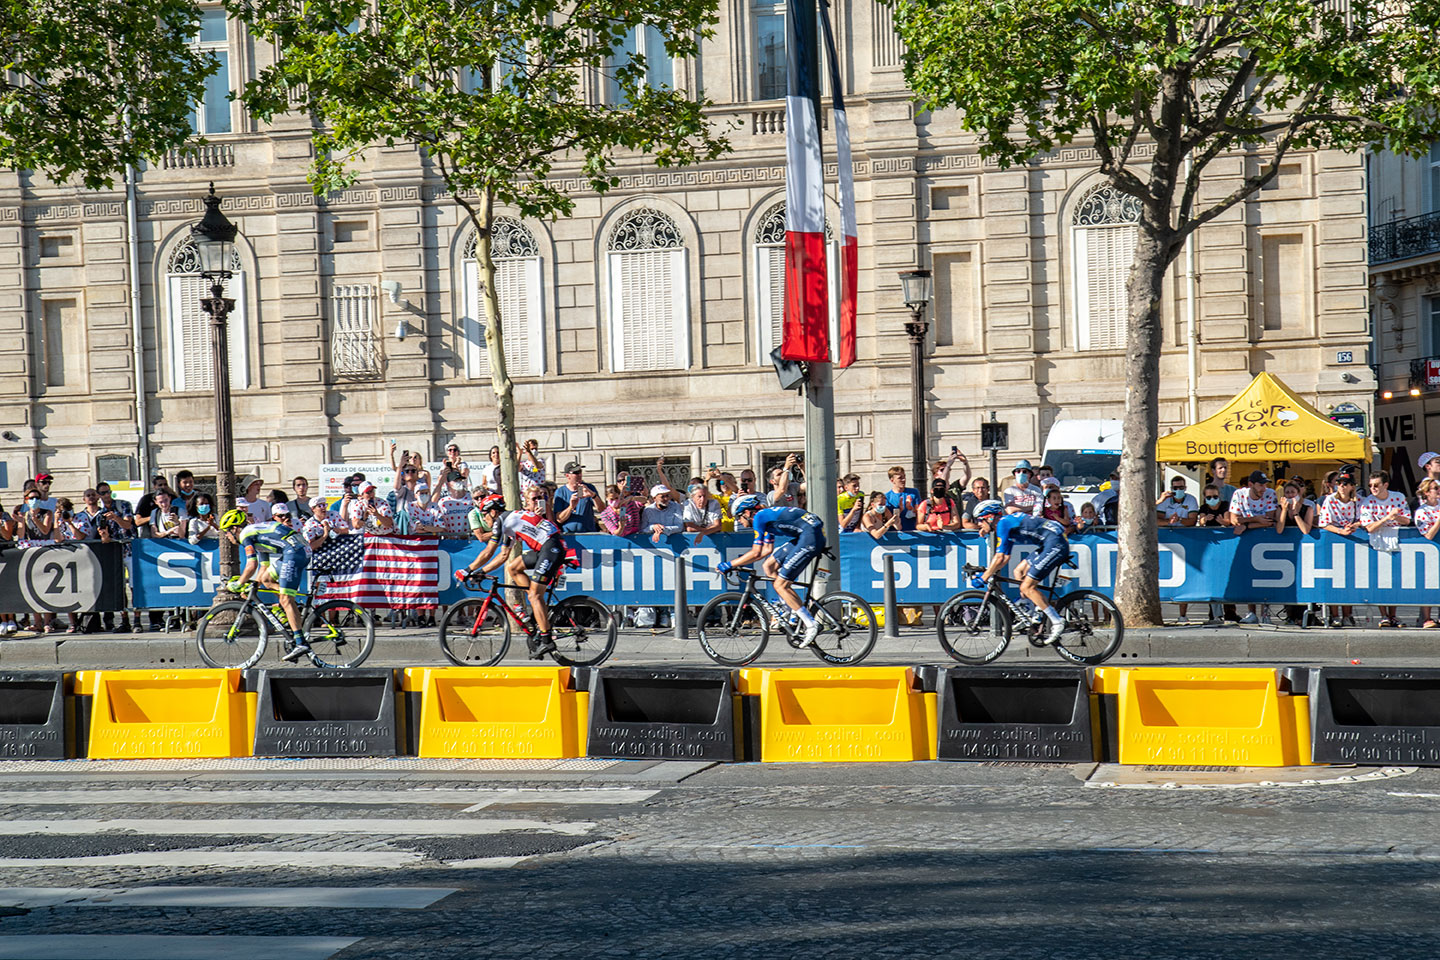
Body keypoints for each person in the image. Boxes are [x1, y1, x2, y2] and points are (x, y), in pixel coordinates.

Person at [459, 494, 566, 658]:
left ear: (493, 512)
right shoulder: (510, 524)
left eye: (484, 515)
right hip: (545, 548)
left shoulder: (502, 520)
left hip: (551, 548)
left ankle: (546, 640)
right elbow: (502, 556)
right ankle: (535, 614)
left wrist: (467, 570)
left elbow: (488, 551)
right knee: (513, 567)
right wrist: (482, 572)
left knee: (535, 596)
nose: (485, 520)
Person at [720, 495, 827, 646]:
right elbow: (766, 551)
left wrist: (729, 564)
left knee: (780, 585)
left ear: (748, 512)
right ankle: (787, 606)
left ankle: (810, 624)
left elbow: (756, 552)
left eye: (739, 517)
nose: (739, 522)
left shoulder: (759, 518)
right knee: (768, 566)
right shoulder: (766, 517)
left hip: (810, 536)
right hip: (807, 533)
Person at [971, 499, 1070, 645]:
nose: (978, 524)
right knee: (1019, 571)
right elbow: (1004, 557)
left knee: (1027, 587)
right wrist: (989, 572)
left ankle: (1057, 621)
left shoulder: (1003, 523)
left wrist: (984, 577)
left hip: (1055, 544)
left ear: (990, 517)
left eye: (980, 520)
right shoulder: (1006, 523)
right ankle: (1032, 611)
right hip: (1049, 542)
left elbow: (999, 558)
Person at [219, 507, 311, 661]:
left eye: (226, 532)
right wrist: (253, 585)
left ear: (234, 528)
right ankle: (288, 608)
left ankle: (300, 642)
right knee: (267, 579)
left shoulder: (245, 535)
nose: (227, 537)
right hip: (297, 549)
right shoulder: (257, 535)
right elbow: (263, 568)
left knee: (285, 599)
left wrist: (237, 584)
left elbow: (251, 566)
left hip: (294, 552)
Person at [1362, 470, 1411, 628]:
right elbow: (1369, 527)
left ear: (1385, 485)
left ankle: (1393, 615)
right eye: (1370, 485)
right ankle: (1383, 615)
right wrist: (1386, 518)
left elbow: (1407, 520)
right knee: (1380, 579)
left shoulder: (1398, 497)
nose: (1373, 488)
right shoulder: (1367, 502)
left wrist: (1395, 517)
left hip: (1396, 541)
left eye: (1376, 485)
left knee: (1394, 579)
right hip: (1376, 543)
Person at [1230, 471, 1278, 625]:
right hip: (1247, 540)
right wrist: (1256, 519)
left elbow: (1270, 520)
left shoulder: (1270, 494)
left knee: (1266, 575)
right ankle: (1251, 612)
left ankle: (1265, 612)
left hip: (1265, 539)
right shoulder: (1239, 494)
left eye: (1265, 484)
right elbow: (1234, 519)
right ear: (1251, 484)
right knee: (1249, 576)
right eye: (1260, 484)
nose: (1264, 487)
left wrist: (1247, 525)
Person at [1318, 471, 1362, 628]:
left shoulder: (1358, 501)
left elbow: (1364, 519)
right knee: (1334, 580)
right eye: (1339, 483)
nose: (1341, 486)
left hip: (1352, 543)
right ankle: (1335, 615)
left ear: (1352, 486)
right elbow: (1324, 522)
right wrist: (1340, 531)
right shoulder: (1330, 500)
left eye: (1345, 484)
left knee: (1349, 580)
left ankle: (1347, 615)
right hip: (1333, 541)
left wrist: (1355, 525)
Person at [1415, 479, 1440, 629]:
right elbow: (1428, 535)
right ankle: (1427, 618)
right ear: (1426, 492)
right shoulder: (1421, 511)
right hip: (1431, 551)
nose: (1438, 491)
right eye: (1435, 488)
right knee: (1429, 583)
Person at [553, 462, 601, 534]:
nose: (579, 475)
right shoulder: (560, 492)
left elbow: (602, 510)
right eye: (576, 473)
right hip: (569, 534)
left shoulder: (589, 488)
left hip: (588, 533)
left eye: (580, 472)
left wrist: (593, 496)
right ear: (567, 475)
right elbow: (559, 519)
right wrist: (571, 507)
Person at [884, 466, 921, 531]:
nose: (903, 480)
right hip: (895, 532)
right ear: (892, 480)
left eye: (904, 477)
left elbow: (920, 511)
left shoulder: (914, 492)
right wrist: (900, 510)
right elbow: (887, 517)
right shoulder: (887, 497)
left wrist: (911, 509)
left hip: (913, 530)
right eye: (900, 478)